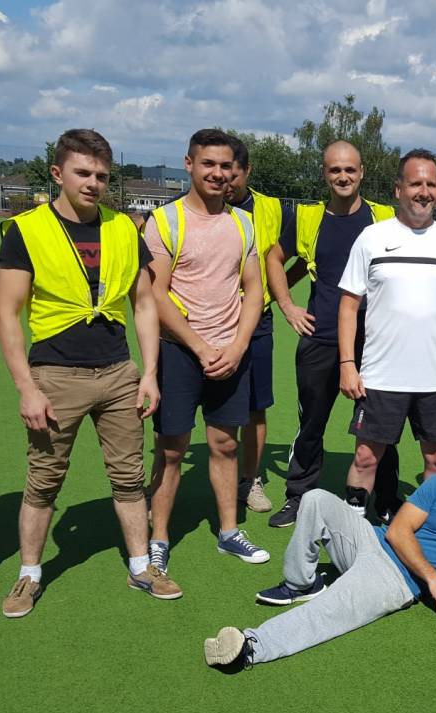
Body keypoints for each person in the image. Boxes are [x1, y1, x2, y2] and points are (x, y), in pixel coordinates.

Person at [0, 129, 180, 618]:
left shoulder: (123, 228)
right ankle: (28, 575)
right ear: (58, 173)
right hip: (55, 375)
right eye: (82, 172)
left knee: (129, 476)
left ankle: (141, 566)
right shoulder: (26, 230)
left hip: (118, 373)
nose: (93, 183)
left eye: (101, 175)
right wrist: (26, 388)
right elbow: (8, 315)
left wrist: (148, 373)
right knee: (44, 480)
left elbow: (144, 304)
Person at [203, 441, 436, 669]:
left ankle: (250, 646)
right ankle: (300, 583)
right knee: (315, 499)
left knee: (329, 610)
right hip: (371, 539)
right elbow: (398, 532)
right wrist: (435, 580)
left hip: (394, 581)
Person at [145, 129, 266, 572]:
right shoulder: (164, 220)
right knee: (171, 449)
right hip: (179, 352)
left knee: (224, 444)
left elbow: (254, 290)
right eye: (208, 164)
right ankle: (159, 538)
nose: (218, 173)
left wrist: (237, 346)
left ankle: (229, 532)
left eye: (225, 166)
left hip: (230, 354)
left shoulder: (243, 222)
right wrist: (198, 346)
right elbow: (155, 294)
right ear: (189, 164)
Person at [337, 149, 436, 517]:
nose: (424, 191)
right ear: (398, 189)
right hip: (380, 376)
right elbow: (349, 305)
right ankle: (351, 534)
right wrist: (347, 365)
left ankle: (433, 534)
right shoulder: (372, 238)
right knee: (366, 457)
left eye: (432, 184)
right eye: (416, 183)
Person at [264, 141, 400, 527]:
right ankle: (299, 496)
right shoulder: (308, 218)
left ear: (362, 173)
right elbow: (274, 257)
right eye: (335, 170)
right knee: (311, 423)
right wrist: (288, 305)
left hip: (374, 341)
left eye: (350, 170)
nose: (343, 176)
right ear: (325, 173)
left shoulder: (384, 217)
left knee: (379, 425)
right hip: (321, 336)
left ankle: (386, 498)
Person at [223, 137, 296, 516]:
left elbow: (300, 253)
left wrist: (280, 291)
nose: (225, 180)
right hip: (205, 320)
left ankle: (249, 479)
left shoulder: (274, 209)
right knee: (188, 408)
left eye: (232, 172)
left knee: (255, 407)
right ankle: (168, 482)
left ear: (247, 171)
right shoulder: (194, 206)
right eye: (218, 171)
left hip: (258, 322)